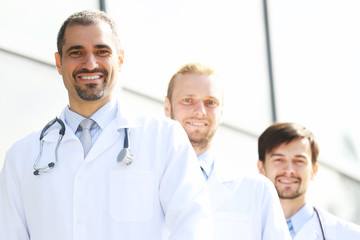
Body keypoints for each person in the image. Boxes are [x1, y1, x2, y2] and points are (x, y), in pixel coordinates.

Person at [0, 10, 213, 240]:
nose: (90, 64)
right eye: (76, 52)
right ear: (59, 62)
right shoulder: (21, 157)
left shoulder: (165, 139)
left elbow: (194, 227)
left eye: (102, 51)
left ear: (119, 60)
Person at [165, 62, 291, 240]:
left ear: (221, 112)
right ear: (167, 107)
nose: (200, 111)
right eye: (188, 100)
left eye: (211, 102)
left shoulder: (258, 191)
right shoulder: (142, 184)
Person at [257, 122, 360, 239]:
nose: (289, 170)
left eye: (299, 161)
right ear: (261, 167)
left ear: (314, 170)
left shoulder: (351, 236)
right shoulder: (239, 231)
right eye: (279, 160)